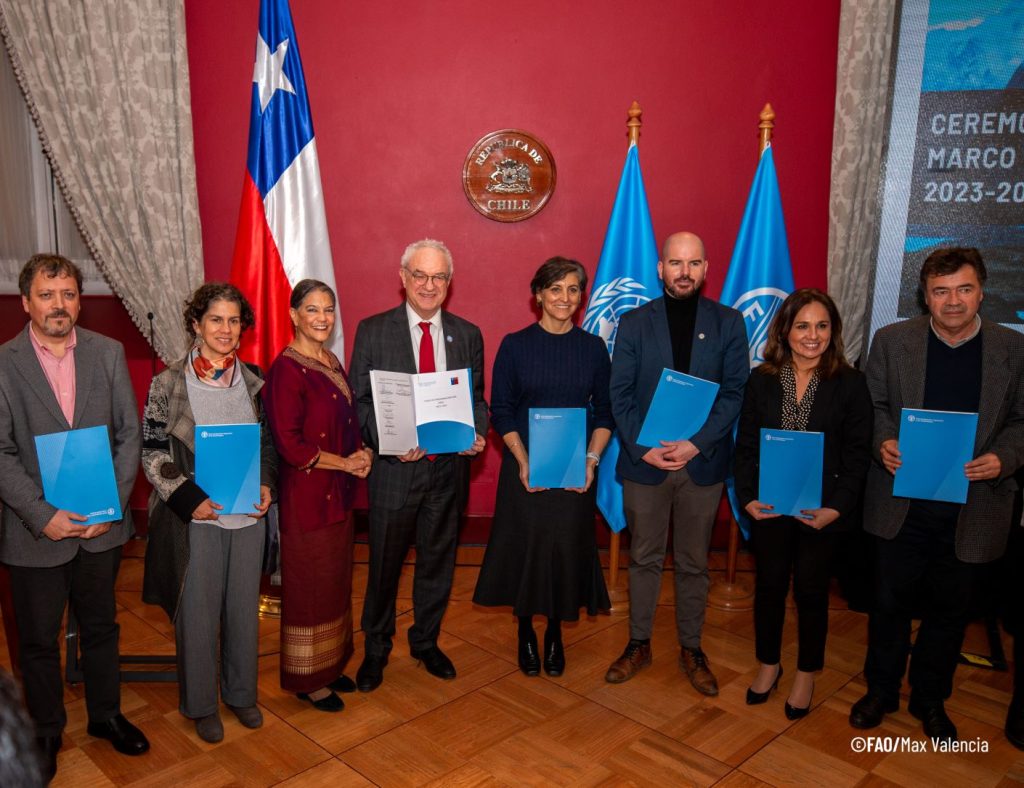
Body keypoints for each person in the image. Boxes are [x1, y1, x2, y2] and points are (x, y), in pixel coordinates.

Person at [849, 247, 1024, 743]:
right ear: (924, 297)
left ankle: (930, 699)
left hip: (975, 507)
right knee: (888, 604)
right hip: (901, 502)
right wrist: (883, 441)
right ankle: (880, 691)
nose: (953, 301)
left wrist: (1005, 459)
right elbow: (874, 404)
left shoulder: (1012, 349)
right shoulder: (891, 341)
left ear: (981, 293)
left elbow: (1021, 422)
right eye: (941, 291)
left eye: (964, 289)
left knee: (951, 612)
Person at [0, 254, 149, 783]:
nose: (58, 305)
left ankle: (106, 716)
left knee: (102, 626)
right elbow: (1, 453)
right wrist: (46, 517)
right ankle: (45, 728)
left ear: (78, 300)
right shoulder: (3, 363)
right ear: (26, 302)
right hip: (35, 533)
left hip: (102, 529)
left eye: (67, 294)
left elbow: (129, 435)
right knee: (39, 639)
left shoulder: (107, 354)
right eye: (47, 294)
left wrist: (111, 504)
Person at [604, 231, 748, 694]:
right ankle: (638, 643)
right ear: (660, 268)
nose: (684, 272)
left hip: (700, 466)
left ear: (705, 268)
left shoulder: (728, 322)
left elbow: (734, 393)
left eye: (693, 263)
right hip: (644, 463)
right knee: (643, 558)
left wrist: (696, 444)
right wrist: (643, 446)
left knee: (692, 563)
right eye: (675, 263)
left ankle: (692, 648)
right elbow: (619, 393)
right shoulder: (633, 323)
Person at [349, 238, 488, 691]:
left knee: (437, 563)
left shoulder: (467, 334)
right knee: (384, 565)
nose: (429, 286)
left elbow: (477, 400)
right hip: (394, 472)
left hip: (448, 473)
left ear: (450, 283)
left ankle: (426, 641)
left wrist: (476, 433)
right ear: (403, 277)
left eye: (439, 277)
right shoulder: (373, 330)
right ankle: (376, 648)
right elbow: (360, 401)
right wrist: (388, 441)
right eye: (420, 275)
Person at [141, 282, 276, 743]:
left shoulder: (255, 380)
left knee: (242, 610)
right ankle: (200, 704)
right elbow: (153, 452)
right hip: (194, 517)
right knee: (197, 612)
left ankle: (241, 694)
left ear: (243, 329)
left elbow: (268, 446)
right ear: (196, 325)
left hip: (247, 516)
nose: (225, 328)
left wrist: (267, 484)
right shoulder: (168, 382)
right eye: (215, 319)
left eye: (234, 320)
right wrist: (187, 499)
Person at [734, 289, 872, 718]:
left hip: (822, 511)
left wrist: (838, 508)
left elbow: (857, 453)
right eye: (803, 325)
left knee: (811, 592)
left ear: (833, 331)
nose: (812, 335)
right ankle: (769, 664)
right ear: (785, 330)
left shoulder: (851, 383)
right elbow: (747, 447)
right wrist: (748, 497)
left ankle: (807, 673)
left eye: (822, 325)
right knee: (770, 588)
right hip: (771, 507)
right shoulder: (762, 379)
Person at [473, 257, 612, 676]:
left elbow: (606, 413)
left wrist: (591, 461)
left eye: (573, 289)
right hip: (527, 468)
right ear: (538, 295)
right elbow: (502, 410)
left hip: (574, 472)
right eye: (555, 289)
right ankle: (523, 632)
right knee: (527, 551)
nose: (564, 298)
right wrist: (522, 460)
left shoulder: (592, 349)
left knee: (564, 552)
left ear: (581, 297)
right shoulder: (516, 345)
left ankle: (554, 631)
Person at [262, 280, 373, 712]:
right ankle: (308, 679)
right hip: (307, 500)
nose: (323, 318)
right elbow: (290, 445)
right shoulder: (286, 371)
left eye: (329, 309)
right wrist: (345, 464)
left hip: (338, 497)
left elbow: (346, 419)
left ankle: (330, 665)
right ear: (294, 315)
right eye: (312, 310)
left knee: (334, 586)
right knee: (309, 591)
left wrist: (361, 452)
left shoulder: (328, 359)